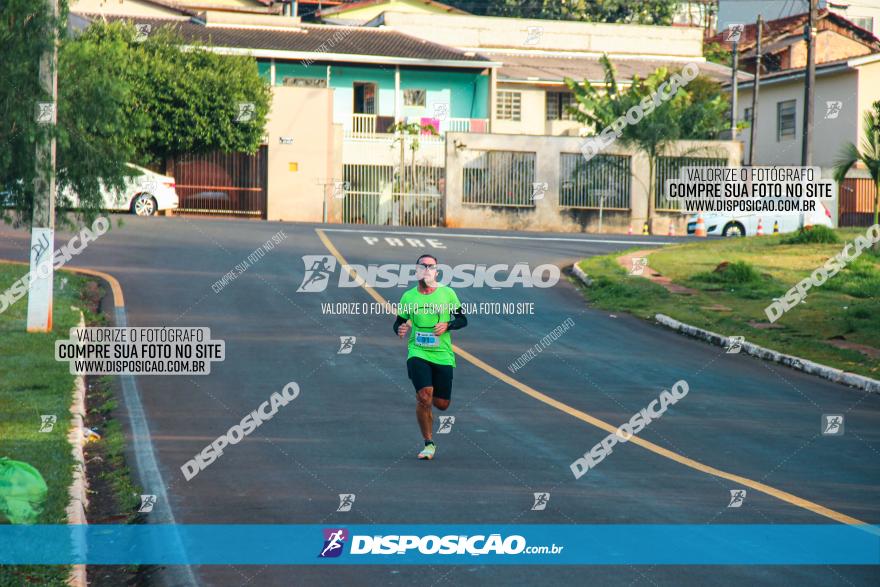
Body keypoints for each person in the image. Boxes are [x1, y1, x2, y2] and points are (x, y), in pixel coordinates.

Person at [392, 254, 467, 460]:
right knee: (424, 395)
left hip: (442, 354)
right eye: (422, 266)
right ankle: (428, 443)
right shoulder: (409, 297)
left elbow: (462, 319)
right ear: (416, 271)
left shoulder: (447, 294)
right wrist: (400, 328)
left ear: (436, 271)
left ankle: (428, 401)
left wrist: (448, 325)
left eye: (430, 266)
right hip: (418, 351)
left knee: (442, 404)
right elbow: (398, 322)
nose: (426, 269)